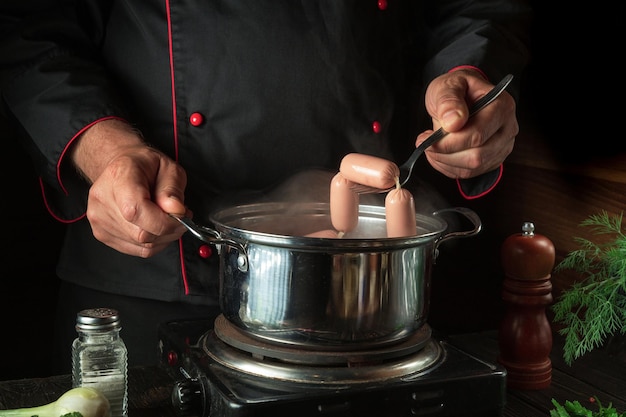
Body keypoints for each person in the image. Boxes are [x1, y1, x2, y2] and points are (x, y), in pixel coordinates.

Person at [0, 1, 531, 374]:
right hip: (154, 267)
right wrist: (106, 151)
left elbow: (477, 6)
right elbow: (29, 26)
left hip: (369, 296)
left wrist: (469, 71)